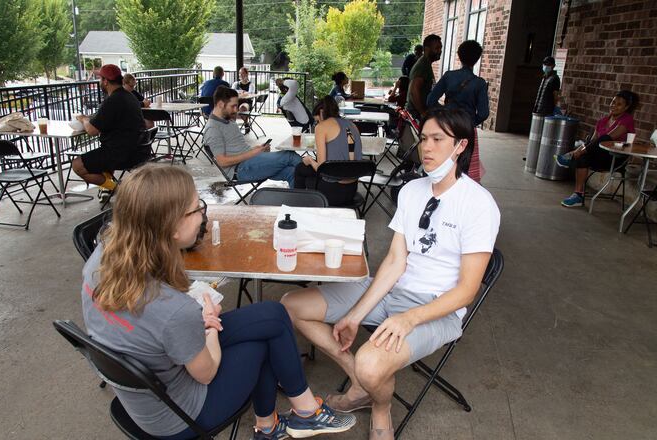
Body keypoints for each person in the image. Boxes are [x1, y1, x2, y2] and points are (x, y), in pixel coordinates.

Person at [81, 164, 356, 440]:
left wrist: (194, 322)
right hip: (178, 416)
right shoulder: (175, 310)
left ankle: (299, 415)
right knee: (263, 342)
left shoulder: (100, 258)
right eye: (196, 208)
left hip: (147, 381)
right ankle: (277, 425)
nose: (203, 214)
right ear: (171, 227)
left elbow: (153, 323)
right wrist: (209, 325)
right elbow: (206, 372)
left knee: (273, 315)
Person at [282, 108, 500, 440]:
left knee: (373, 363)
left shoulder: (479, 204)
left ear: (460, 146)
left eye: (438, 140)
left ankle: (380, 408)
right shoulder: (412, 191)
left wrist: (409, 319)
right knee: (291, 305)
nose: (426, 147)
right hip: (392, 290)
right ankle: (361, 386)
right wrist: (356, 316)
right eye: (424, 138)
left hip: (435, 308)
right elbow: (395, 262)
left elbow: (467, 290)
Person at [71, 64, 146, 204]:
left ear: (105, 81)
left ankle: (119, 190)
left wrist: (84, 119)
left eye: (100, 79)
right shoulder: (129, 97)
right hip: (138, 149)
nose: (100, 82)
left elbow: (92, 131)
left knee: (77, 165)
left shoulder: (113, 100)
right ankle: (108, 187)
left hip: (120, 153)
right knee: (99, 158)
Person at [204, 86, 302, 187]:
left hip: (250, 163)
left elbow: (239, 148)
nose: (236, 110)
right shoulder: (213, 128)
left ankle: (299, 201)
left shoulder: (228, 120)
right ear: (220, 104)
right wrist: (252, 153)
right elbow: (222, 162)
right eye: (233, 106)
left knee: (293, 172)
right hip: (240, 170)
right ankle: (318, 175)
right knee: (289, 156)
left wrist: (256, 149)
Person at [555, 90, 639, 207]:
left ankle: (572, 156)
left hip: (615, 158)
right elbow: (591, 142)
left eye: (619, 104)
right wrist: (581, 150)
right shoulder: (603, 121)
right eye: (613, 102)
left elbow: (610, 137)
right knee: (583, 157)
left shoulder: (627, 120)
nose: (614, 105)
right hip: (597, 154)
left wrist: (578, 150)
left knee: (604, 138)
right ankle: (578, 195)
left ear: (626, 107)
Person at [426, 40, 489, 183]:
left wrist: (443, 113)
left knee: (444, 160)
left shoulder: (449, 76)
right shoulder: (479, 83)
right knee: (465, 165)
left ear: (459, 56)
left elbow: (430, 101)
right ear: (477, 59)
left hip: (447, 125)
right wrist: (470, 122)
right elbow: (484, 113)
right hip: (467, 128)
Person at [294, 96, 363, 206]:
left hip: (331, 192)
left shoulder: (321, 127)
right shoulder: (353, 125)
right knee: (303, 169)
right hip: (352, 190)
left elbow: (322, 169)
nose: (317, 124)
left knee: (300, 169)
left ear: (321, 113)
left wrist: (311, 161)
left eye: (317, 121)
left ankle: (298, 206)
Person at [406, 34, 443, 120]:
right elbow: (413, 91)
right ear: (427, 49)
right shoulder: (423, 66)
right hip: (416, 116)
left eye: (440, 48)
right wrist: (423, 112)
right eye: (437, 48)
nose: (440, 51)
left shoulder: (426, 64)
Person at [232, 67, 254, 134]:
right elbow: (232, 92)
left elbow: (250, 94)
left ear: (247, 74)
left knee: (242, 107)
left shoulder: (251, 84)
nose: (241, 75)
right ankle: (232, 127)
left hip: (246, 102)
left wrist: (241, 93)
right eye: (240, 73)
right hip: (237, 102)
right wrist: (243, 92)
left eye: (243, 73)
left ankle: (246, 124)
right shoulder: (236, 84)